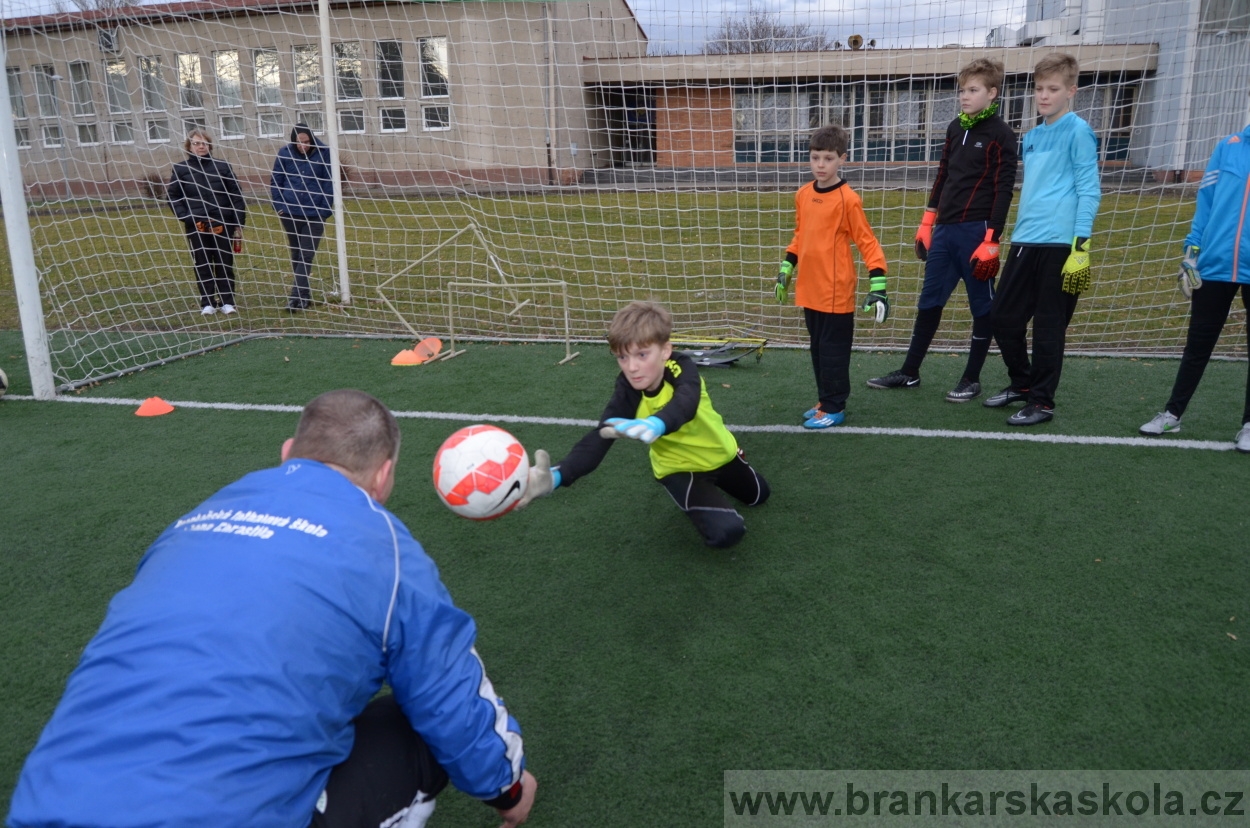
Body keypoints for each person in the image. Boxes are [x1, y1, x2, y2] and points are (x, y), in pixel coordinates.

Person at [7, 389, 536, 828]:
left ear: (287, 452)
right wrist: (509, 789)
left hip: (48, 807)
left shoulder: (197, 516)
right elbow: (450, 698)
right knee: (414, 730)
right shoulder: (387, 549)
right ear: (384, 477)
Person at [518, 301, 769, 549]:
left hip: (720, 454)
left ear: (665, 350)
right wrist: (556, 476)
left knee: (760, 496)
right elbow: (599, 439)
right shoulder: (627, 390)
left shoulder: (682, 367)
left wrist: (657, 424)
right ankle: (691, 494)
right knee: (727, 533)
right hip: (678, 469)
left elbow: (686, 403)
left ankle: (733, 462)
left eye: (641, 354)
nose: (632, 367)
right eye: (622, 357)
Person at [867, 58, 1018, 403]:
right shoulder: (954, 128)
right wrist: (927, 222)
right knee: (929, 301)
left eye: (973, 90)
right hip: (945, 232)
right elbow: (943, 175)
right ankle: (909, 372)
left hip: (976, 233)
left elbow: (1004, 190)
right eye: (962, 90)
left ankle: (971, 378)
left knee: (982, 307)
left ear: (992, 93)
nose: (964, 96)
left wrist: (992, 239)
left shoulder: (1001, 135)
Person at [985, 53, 1101, 425]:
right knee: (1002, 317)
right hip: (1025, 240)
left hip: (1060, 245)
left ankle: (1043, 402)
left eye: (1053, 89)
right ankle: (1022, 384)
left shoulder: (1078, 131)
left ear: (1071, 91)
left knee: (1049, 328)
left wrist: (1080, 246)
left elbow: (1089, 190)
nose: (1045, 96)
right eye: (1039, 89)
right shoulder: (1031, 138)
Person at [1139, 125, 1250, 452]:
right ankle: (1173, 413)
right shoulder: (1227, 147)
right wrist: (1192, 251)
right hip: (1215, 264)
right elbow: (1206, 202)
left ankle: (1248, 425)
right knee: (1197, 344)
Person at [773, 123, 889, 428]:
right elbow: (800, 236)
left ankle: (835, 406)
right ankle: (825, 400)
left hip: (836, 291)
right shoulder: (802, 194)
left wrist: (878, 285)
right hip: (809, 289)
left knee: (834, 352)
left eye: (827, 158)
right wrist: (786, 268)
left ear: (842, 158)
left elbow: (867, 241)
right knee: (818, 349)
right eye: (815, 158)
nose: (820, 165)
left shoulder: (848, 199)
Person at [167, 129, 246, 316]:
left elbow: (236, 195)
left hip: (222, 222)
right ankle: (207, 303)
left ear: (209, 145)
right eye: (196, 143)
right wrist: (186, 216)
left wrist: (238, 222)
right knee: (202, 263)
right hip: (197, 225)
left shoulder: (223, 166)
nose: (201, 146)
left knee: (224, 262)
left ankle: (227, 301)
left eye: (204, 143)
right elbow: (173, 196)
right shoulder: (181, 169)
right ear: (189, 147)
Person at [271, 123, 334, 311]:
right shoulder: (284, 153)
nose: (303, 146)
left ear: (312, 139)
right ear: (293, 141)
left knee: (306, 254)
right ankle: (303, 296)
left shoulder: (324, 153)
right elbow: (276, 181)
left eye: (306, 142)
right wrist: (279, 207)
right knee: (297, 253)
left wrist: (324, 210)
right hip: (289, 212)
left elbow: (330, 183)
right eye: (299, 142)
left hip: (315, 213)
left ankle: (295, 297)